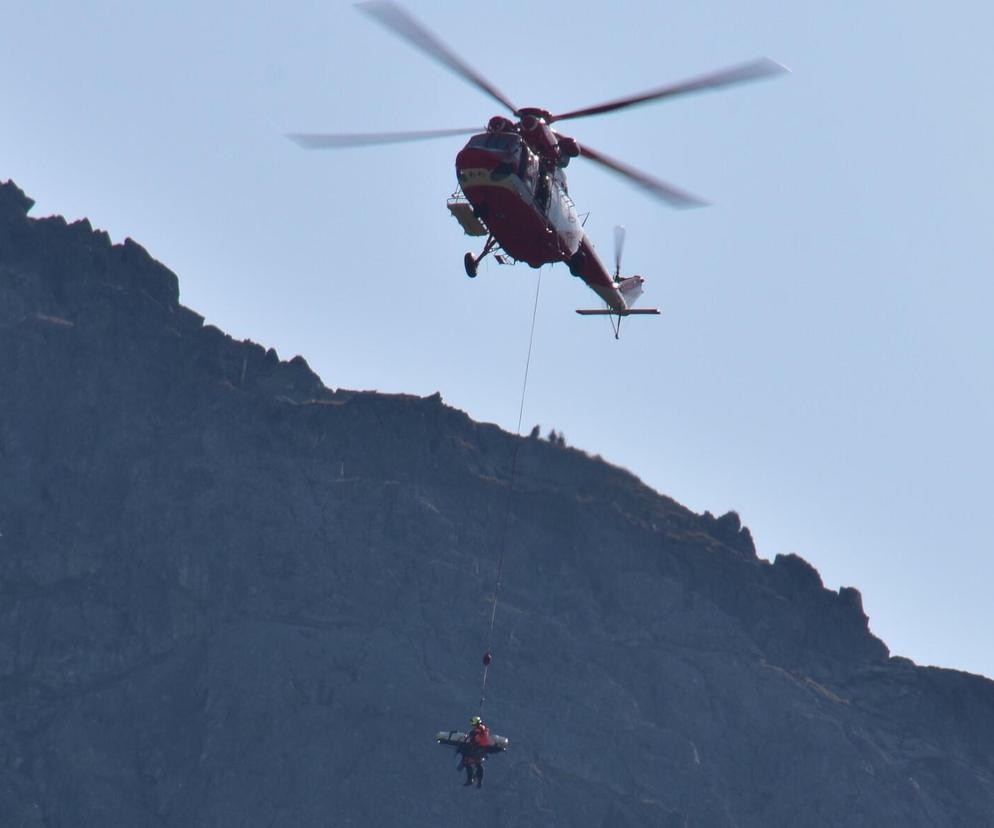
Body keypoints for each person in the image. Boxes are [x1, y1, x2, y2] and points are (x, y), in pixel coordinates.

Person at [462, 715, 490, 788]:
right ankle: (479, 781)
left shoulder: (476, 732)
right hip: (483, 750)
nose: (472, 726)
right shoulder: (484, 729)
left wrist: (469, 743)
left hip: (478, 750)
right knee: (478, 764)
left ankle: (470, 779)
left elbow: (475, 741)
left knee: (467, 762)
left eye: (473, 725)